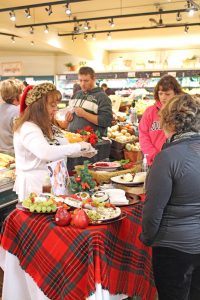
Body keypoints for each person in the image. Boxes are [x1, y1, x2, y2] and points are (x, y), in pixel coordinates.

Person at [140, 93, 200, 300]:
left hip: (173, 248)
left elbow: (153, 210)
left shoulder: (166, 158)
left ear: (168, 121)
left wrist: (147, 238)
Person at [13, 82, 96, 201]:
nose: (56, 109)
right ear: (39, 107)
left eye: (56, 105)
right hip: (36, 188)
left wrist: (83, 151)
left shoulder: (49, 126)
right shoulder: (27, 128)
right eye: (52, 105)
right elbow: (46, 153)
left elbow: (62, 148)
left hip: (58, 183)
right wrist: (78, 146)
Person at [139, 74, 183, 166]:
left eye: (167, 94)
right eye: (160, 93)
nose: (163, 97)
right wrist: (154, 155)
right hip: (154, 161)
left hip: (178, 161)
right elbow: (143, 135)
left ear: (176, 93)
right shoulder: (150, 112)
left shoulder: (182, 111)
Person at [65, 66, 113, 136]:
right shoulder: (76, 94)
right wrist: (68, 118)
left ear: (93, 79)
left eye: (86, 81)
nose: (82, 84)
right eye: (80, 80)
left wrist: (84, 114)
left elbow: (106, 121)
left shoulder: (102, 97)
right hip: (73, 139)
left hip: (91, 142)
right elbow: (70, 115)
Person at [0, 78, 24, 154]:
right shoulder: (17, 112)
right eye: (22, 92)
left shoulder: (1, 107)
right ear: (16, 95)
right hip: (13, 154)